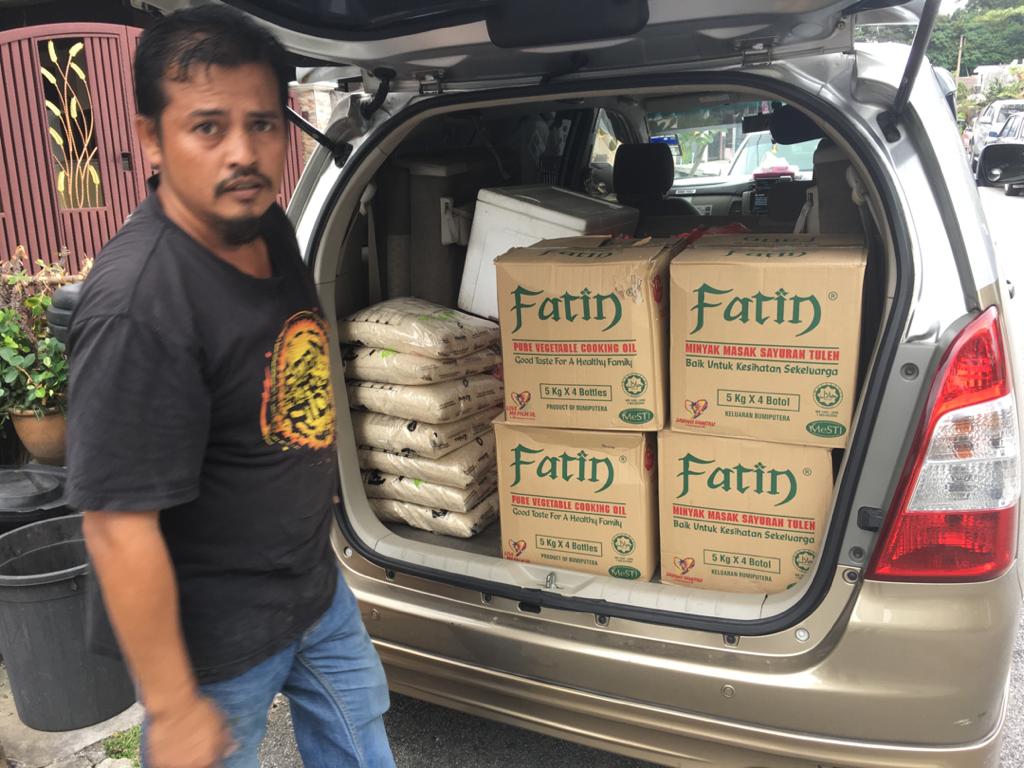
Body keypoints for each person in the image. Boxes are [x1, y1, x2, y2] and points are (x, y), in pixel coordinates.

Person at [65, 7, 395, 768]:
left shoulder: (263, 222)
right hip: (213, 644)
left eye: (263, 124)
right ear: (152, 138)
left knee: (361, 743)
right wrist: (175, 705)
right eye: (208, 127)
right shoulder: (139, 306)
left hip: (311, 588)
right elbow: (117, 527)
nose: (243, 154)